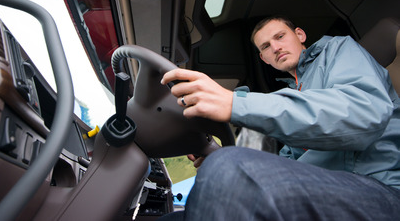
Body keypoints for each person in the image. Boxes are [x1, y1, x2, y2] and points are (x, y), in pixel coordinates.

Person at [160, 16, 400, 220]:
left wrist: (235, 103)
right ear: (264, 59)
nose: (275, 48)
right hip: (320, 185)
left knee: (230, 172)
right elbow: (288, 165)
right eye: (265, 47)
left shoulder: (338, 50)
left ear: (300, 35)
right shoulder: (291, 94)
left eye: (280, 36)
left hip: (377, 187)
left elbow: (363, 115)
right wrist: (215, 153)